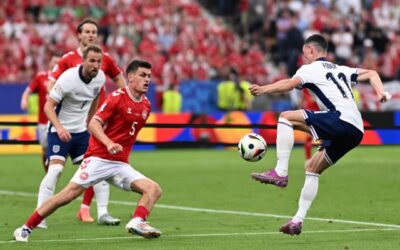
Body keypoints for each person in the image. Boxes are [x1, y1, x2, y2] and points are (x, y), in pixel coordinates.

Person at [249, 34, 391, 235]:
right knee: (312, 167)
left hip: (339, 119)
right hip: (356, 130)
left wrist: (263, 89)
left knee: (286, 118)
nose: (303, 57)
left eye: (304, 53)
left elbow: (290, 84)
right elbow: (372, 74)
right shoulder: (341, 69)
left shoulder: (310, 69)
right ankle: (297, 221)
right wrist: (381, 93)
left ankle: (280, 172)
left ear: (310, 50)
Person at [14, 60, 162, 242]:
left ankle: (137, 221)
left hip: (120, 164)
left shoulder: (146, 105)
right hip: (98, 159)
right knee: (67, 195)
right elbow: (93, 123)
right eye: (142, 75)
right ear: (130, 77)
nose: (147, 79)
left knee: (153, 189)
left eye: (148, 76)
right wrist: (108, 143)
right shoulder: (116, 97)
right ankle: (25, 228)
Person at [47, 18, 125, 225]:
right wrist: (55, 100)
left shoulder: (105, 59)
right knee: (56, 169)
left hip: (90, 121)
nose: (91, 35)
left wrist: (119, 100)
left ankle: (97, 211)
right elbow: (52, 84)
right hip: (63, 123)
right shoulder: (67, 60)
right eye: (87, 31)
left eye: (94, 32)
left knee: (98, 164)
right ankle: (47, 212)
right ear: (79, 35)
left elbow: (118, 79)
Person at [35, 44, 106, 229]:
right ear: (83, 61)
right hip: (59, 132)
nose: (96, 65)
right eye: (92, 61)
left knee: (98, 170)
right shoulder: (67, 78)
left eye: (99, 62)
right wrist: (59, 128)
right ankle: (40, 217)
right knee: (55, 171)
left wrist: (90, 122)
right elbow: (48, 107)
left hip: (81, 133)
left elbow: (95, 98)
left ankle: (104, 213)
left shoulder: (100, 78)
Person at [20, 56, 60, 171]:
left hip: (61, 120)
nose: (56, 64)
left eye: (59, 62)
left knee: (60, 149)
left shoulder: (65, 78)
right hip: (44, 121)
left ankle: (54, 171)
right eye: (54, 62)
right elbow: (28, 91)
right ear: (50, 63)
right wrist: (24, 100)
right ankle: (48, 172)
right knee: (45, 149)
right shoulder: (41, 77)